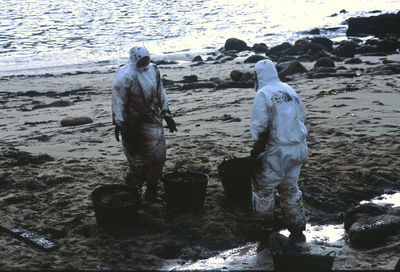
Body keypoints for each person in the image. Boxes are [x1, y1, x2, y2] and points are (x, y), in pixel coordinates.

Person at [249, 59, 308, 242]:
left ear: (259, 75)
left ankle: (264, 229)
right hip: (298, 147)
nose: (253, 77)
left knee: (263, 189)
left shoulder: (263, 93)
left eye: (255, 73)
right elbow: (301, 117)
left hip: (278, 150)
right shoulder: (289, 90)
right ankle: (297, 229)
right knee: (290, 189)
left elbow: (261, 127)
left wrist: (254, 154)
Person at [112, 46, 177, 201]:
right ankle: (132, 193)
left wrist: (166, 113)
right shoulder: (126, 77)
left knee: (159, 158)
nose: (145, 62)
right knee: (139, 163)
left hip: (154, 120)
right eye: (142, 60)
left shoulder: (154, 70)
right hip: (135, 125)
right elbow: (118, 100)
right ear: (135, 60)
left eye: (147, 58)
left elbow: (160, 91)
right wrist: (119, 122)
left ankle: (151, 192)